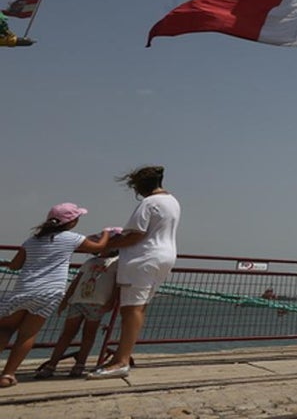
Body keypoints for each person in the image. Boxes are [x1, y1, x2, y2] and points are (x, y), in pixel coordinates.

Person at [0, 203, 111, 388]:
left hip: (23, 289)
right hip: (50, 292)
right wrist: (107, 232)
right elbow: (98, 247)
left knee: (4, 330)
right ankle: (7, 375)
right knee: (27, 334)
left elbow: (15, 266)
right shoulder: (73, 238)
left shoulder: (32, 241)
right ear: (72, 222)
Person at [89, 166, 181, 379]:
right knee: (140, 308)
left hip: (144, 258)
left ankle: (121, 361)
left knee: (130, 310)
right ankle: (123, 355)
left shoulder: (149, 203)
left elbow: (136, 235)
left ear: (140, 186)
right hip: (165, 255)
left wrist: (104, 245)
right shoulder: (172, 201)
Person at [34, 228, 123, 378]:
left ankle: (80, 364)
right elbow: (76, 281)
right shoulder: (90, 262)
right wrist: (66, 299)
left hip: (97, 303)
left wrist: (111, 301)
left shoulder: (116, 263)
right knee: (67, 334)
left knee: (88, 335)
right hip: (77, 301)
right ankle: (52, 364)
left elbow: (116, 284)